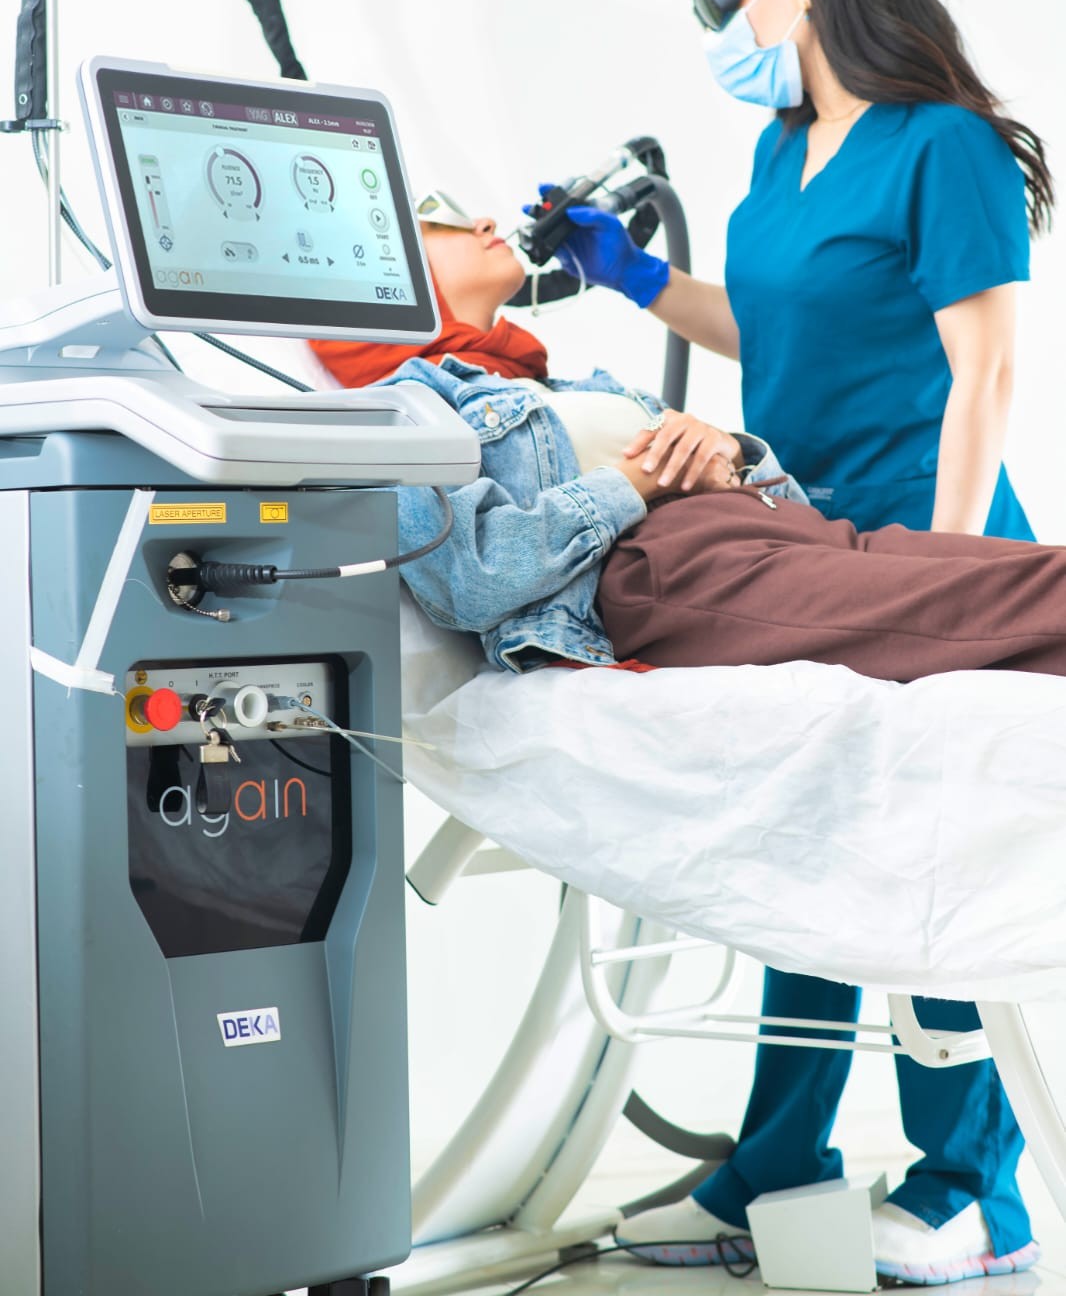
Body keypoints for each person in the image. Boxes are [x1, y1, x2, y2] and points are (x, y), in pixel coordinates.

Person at [312, 201, 1062, 1280]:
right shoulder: (399, 407)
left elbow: (769, 481)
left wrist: (729, 452)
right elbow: (473, 578)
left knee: (1006, 578)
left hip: (785, 531)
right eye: (435, 218)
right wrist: (631, 485)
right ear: (378, 280)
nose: (477, 217)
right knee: (991, 617)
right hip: (665, 576)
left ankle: (851, 1175)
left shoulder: (557, 379)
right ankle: (822, 1169)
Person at [516, 0, 1054, 1281]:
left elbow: (985, 372)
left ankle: (969, 1194)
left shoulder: (945, 147)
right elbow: (778, 325)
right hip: (796, 543)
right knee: (801, 843)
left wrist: (944, 571)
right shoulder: (778, 150)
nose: (711, 31)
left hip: (930, 538)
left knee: (929, 860)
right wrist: (630, 276)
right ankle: (774, 1167)